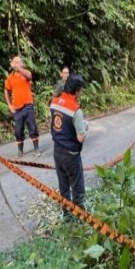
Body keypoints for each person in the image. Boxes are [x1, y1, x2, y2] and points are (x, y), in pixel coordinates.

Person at [50, 74, 88, 210]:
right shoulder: (76, 110)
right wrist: (85, 127)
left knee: (64, 186)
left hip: (57, 151)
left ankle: (67, 217)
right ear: (77, 90)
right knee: (77, 187)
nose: (81, 93)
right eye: (81, 90)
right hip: (71, 155)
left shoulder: (54, 102)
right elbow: (80, 137)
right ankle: (81, 218)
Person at [4, 55, 41, 157]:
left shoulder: (25, 73)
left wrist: (19, 68)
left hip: (28, 106)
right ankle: (20, 151)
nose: (16, 64)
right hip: (17, 109)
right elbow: (6, 90)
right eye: (14, 62)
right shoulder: (10, 77)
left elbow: (30, 76)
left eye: (18, 62)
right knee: (18, 131)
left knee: (32, 128)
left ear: (22, 64)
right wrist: (9, 105)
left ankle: (37, 149)